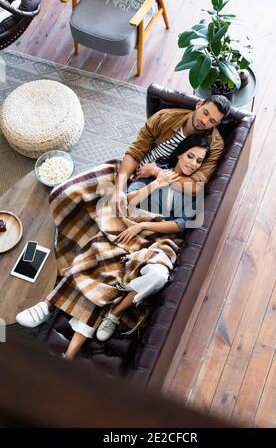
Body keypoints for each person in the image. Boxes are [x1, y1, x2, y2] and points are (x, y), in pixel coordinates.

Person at [16, 136, 210, 360]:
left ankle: (114, 314)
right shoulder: (154, 170)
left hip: (157, 237)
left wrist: (146, 225)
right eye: (190, 156)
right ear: (179, 153)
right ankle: (57, 330)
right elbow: (128, 203)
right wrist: (158, 182)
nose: (193, 163)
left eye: (199, 161)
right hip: (128, 224)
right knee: (104, 272)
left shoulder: (195, 190)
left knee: (158, 274)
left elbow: (182, 225)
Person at [111, 94, 231, 216]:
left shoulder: (215, 145)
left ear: (217, 124)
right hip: (138, 176)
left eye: (212, 121)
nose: (204, 121)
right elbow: (136, 151)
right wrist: (118, 189)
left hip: (170, 189)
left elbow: (196, 187)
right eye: (205, 113)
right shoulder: (164, 117)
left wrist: (156, 172)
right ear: (199, 105)